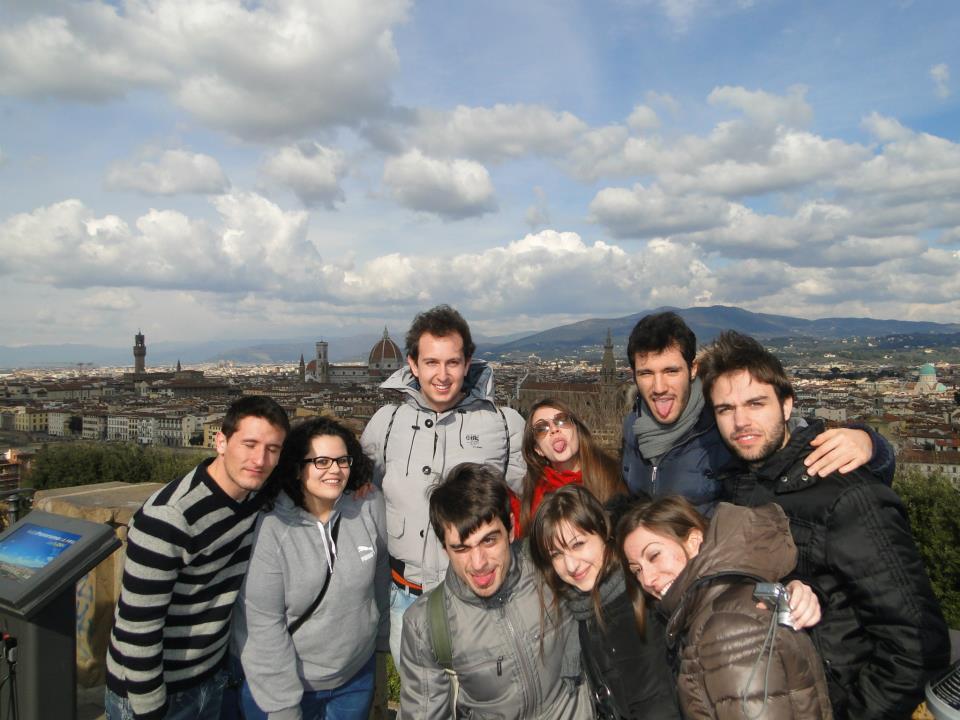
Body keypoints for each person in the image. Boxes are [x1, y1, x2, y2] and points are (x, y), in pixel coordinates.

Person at [698, 330, 950, 718]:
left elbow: (918, 645)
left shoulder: (849, 496)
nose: (741, 421)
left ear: (787, 405)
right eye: (725, 409)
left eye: (755, 403)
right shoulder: (738, 487)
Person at [106, 396, 290, 720]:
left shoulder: (256, 495)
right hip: (153, 692)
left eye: (272, 449)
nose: (260, 459)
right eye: (249, 444)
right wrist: (151, 709)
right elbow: (138, 628)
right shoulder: (169, 518)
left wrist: (357, 483)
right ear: (221, 442)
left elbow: (317, 469)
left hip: (211, 678)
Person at [360, 305, 525, 663]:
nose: (442, 374)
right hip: (407, 600)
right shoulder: (386, 424)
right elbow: (359, 500)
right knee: (417, 696)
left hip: (484, 601)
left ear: (467, 364)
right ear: (413, 364)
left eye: (452, 362)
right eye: (431, 362)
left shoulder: (505, 425)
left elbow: (536, 502)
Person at [621, 311, 894, 513]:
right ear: (634, 375)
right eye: (646, 373)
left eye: (671, 371)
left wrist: (870, 444)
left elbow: (791, 443)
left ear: (692, 370)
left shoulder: (722, 418)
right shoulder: (634, 426)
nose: (659, 387)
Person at [398, 462, 592, 719]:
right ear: (445, 548)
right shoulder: (426, 625)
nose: (479, 563)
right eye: (461, 548)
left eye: (489, 540)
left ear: (510, 529)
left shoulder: (551, 566)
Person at [618, 494, 834, 720]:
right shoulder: (711, 611)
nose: (647, 580)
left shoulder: (728, 627)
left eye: (654, 556)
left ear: (694, 541)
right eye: (637, 570)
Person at [232, 417, 388, 720]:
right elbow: (263, 625)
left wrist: (380, 637)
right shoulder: (271, 526)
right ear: (296, 467)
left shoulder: (367, 505)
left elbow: (380, 577)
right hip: (283, 686)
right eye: (321, 461)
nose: (335, 470)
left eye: (342, 460)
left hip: (355, 677)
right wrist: (282, 707)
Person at [529, 485, 680, 719]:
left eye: (578, 544)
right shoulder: (582, 606)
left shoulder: (640, 592)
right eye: (556, 554)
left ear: (603, 533)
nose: (571, 565)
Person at [513, 398, 626, 537]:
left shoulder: (612, 475)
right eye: (541, 429)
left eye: (562, 420)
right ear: (538, 449)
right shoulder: (532, 495)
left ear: (577, 429)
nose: (554, 429)